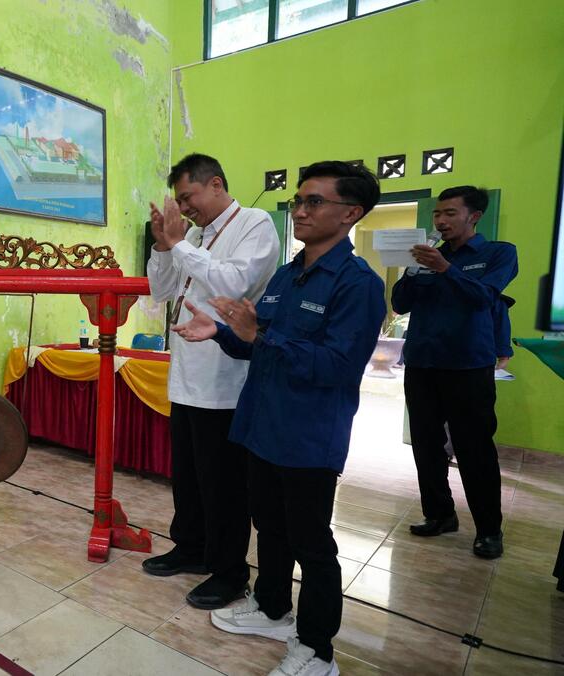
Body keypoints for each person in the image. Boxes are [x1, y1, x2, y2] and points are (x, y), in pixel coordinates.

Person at [173, 161, 386, 676]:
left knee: (312, 543)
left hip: (309, 435)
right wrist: (220, 333)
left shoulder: (357, 284)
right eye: (299, 200)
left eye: (315, 201)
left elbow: (336, 366)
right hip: (260, 426)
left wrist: (257, 336)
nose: (302, 210)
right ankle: (271, 608)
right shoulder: (289, 275)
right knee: (268, 525)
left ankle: (316, 649)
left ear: (350, 212)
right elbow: (256, 344)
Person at [143, 153, 280, 610]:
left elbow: (234, 283)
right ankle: (191, 547)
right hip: (186, 375)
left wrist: (181, 245)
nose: (184, 208)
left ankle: (228, 571)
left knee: (222, 484)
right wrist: (164, 245)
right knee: (188, 477)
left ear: (216, 183)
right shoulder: (195, 236)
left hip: (226, 381)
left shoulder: (255, 225)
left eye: (189, 197)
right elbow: (162, 291)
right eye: (179, 201)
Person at [393, 186, 517, 559]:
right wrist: (412, 272)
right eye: (437, 215)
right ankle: (440, 514)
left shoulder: (499, 253)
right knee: (426, 446)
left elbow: (484, 298)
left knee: (474, 449)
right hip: (422, 363)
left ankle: (489, 530)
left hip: (467, 365)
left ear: (473, 216)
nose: (441, 221)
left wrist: (445, 269)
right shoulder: (428, 255)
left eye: (449, 213)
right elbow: (399, 304)